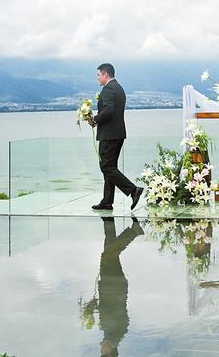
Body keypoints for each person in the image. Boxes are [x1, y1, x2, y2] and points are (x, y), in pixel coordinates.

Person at [87, 64, 144, 211]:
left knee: (106, 167)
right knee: (110, 167)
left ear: (105, 74)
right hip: (118, 133)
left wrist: (94, 120)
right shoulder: (119, 88)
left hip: (109, 135)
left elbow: (108, 111)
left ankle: (133, 190)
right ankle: (107, 201)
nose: (97, 78)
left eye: (99, 75)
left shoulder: (108, 89)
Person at [97, 217, 143, 356]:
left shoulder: (110, 334)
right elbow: (112, 309)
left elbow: (105, 307)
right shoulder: (117, 333)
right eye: (103, 352)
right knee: (108, 255)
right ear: (109, 351)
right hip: (113, 285)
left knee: (109, 248)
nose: (101, 348)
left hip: (109, 285)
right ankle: (134, 232)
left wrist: (93, 306)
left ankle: (109, 224)